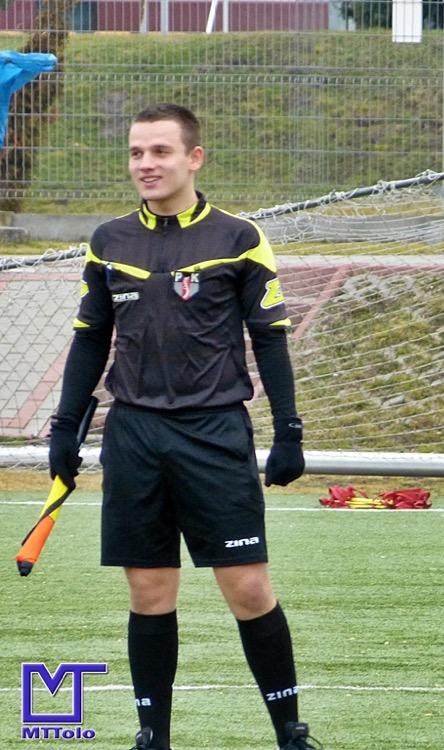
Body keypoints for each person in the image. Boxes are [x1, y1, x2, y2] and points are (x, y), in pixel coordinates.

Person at [47, 104, 321, 750]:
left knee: (248, 589)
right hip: (134, 436)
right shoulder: (109, 241)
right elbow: (90, 339)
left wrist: (289, 430)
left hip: (214, 434)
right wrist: (64, 426)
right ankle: (154, 737)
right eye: (137, 152)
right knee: (149, 592)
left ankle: (290, 734)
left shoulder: (239, 237)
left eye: (160, 151)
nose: (146, 164)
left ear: (194, 158)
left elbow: (270, 339)